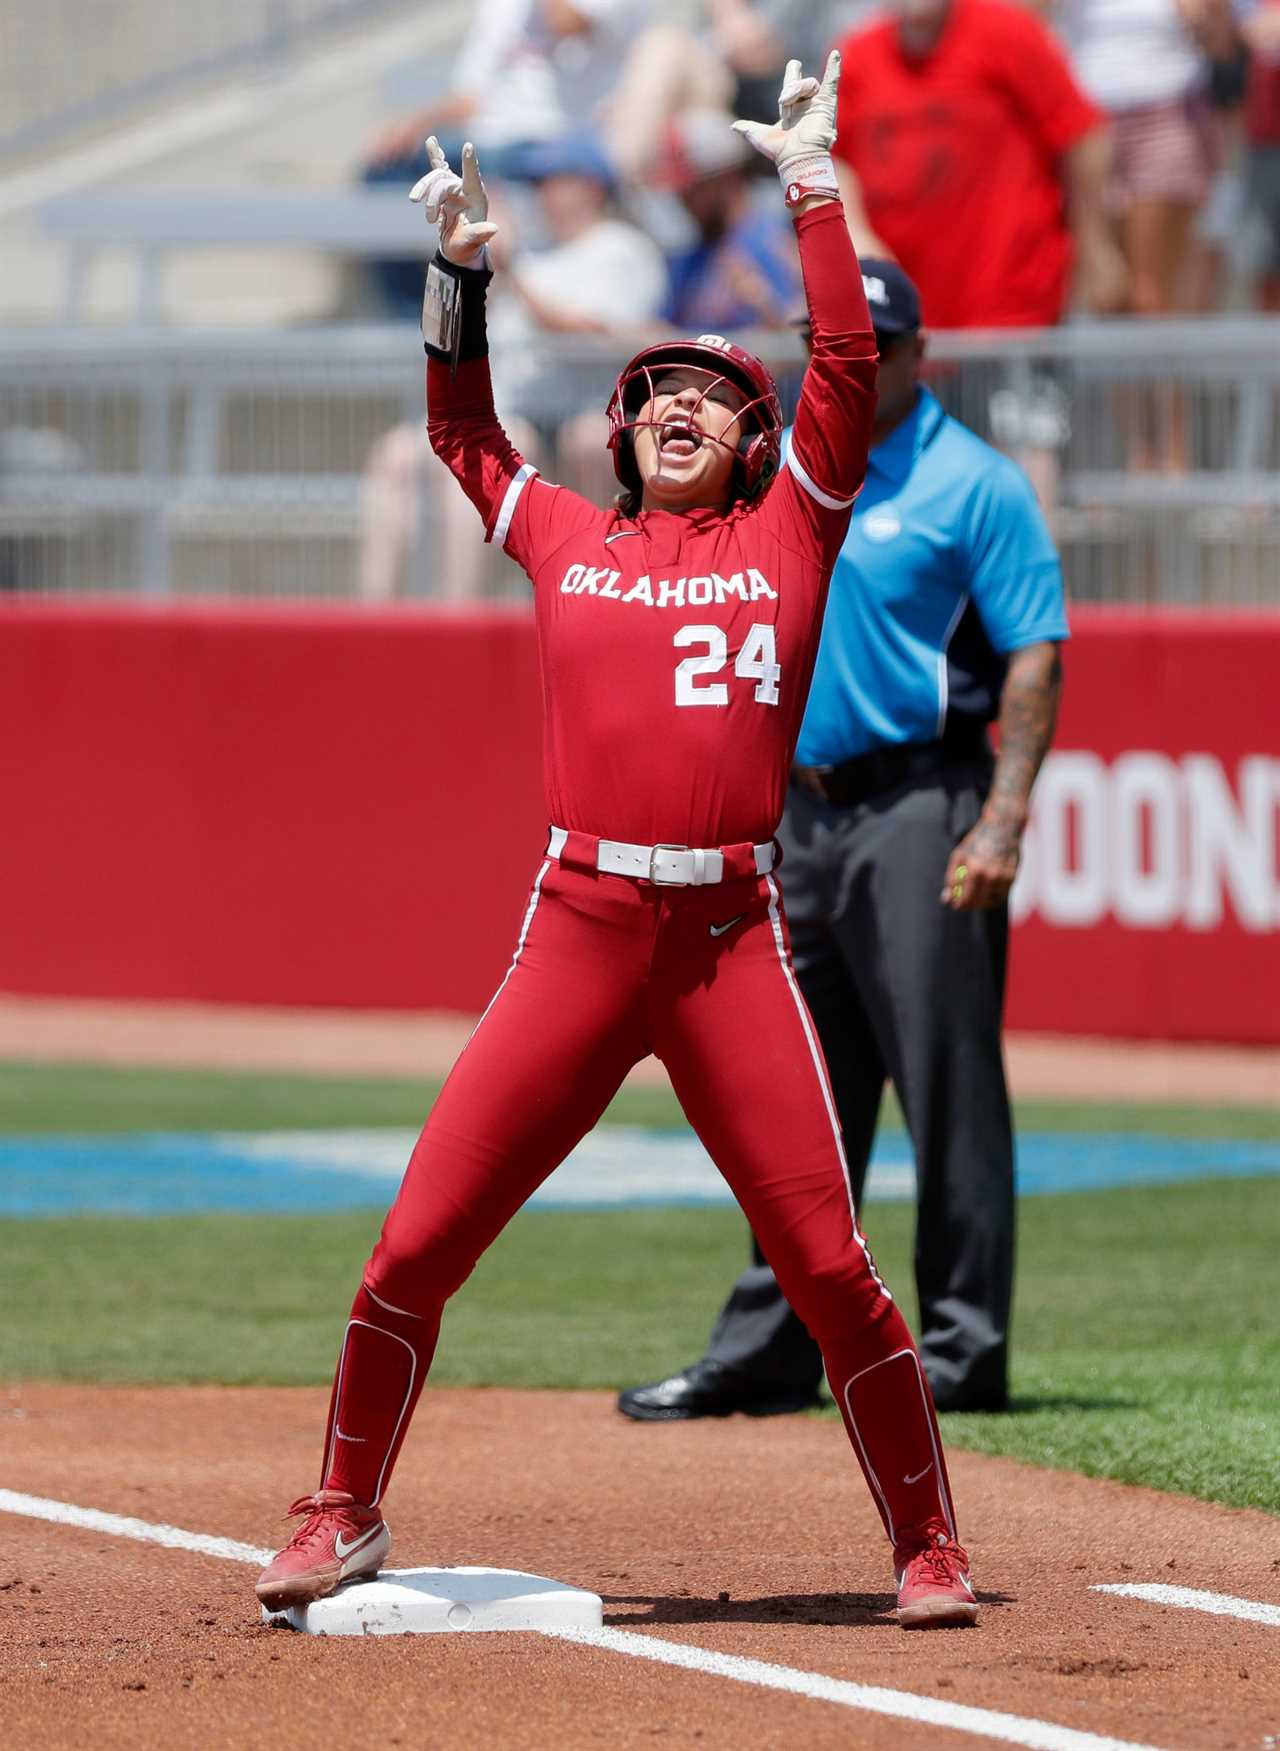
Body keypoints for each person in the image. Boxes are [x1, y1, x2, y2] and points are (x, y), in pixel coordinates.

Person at [256, 54, 982, 1632]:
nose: (688, 409)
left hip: (725, 941)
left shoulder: (795, 528)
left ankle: (928, 1540)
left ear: (752, 440)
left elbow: (845, 363)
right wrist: (456, 277)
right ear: (625, 422)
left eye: (721, 399)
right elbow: (461, 429)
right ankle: (337, 1506)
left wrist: (810, 188)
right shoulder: (569, 536)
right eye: (664, 392)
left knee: (831, 1263)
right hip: (583, 924)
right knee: (414, 1240)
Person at [618, 258, 1067, 1425]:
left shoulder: (973, 482)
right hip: (792, 812)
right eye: (828, 335)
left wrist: (1004, 815)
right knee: (792, 1095)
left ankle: (962, 1349)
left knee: (945, 1081)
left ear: (917, 353)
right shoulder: (782, 471)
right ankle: (771, 1346)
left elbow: (1032, 650)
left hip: (919, 803)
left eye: (867, 339)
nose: (846, 354)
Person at [829, 0, 1127, 328]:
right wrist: (855, 235)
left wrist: (1094, 244)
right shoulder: (856, 53)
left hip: (1009, 306)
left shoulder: (1005, 30)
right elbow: (835, 155)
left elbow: (1082, 135)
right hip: (902, 319)